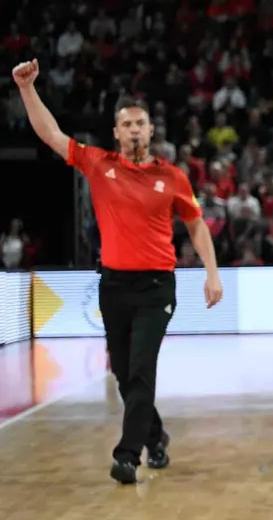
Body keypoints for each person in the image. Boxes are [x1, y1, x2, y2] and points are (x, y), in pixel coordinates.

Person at [10, 60, 223, 484]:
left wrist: (211, 272)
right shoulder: (98, 165)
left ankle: (128, 455)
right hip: (113, 286)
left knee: (141, 369)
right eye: (126, 124)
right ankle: (157, 435)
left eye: (140, 123)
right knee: (125, 375)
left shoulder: (173, 177)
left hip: (157, 287)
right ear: (116, 133)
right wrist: (27, 88)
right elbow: (51, 135)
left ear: (150, 130)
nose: (134, 130)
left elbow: (196, 224)